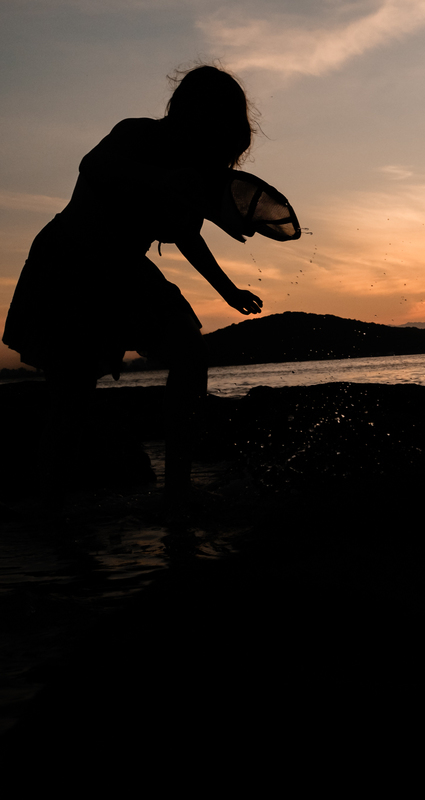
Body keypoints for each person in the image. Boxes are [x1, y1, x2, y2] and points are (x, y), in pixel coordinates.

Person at [3, 65, 282, 498]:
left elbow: (187, 235)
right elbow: (93, 164)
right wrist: (162, 179)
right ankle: (51, 506)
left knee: (191, 352)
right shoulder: (138, 134)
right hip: (68, 264)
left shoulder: (194, 170)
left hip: (126, 271)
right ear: (189, 111)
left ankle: (177, 490)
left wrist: (228, 290)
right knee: (71, 398)